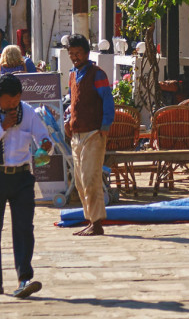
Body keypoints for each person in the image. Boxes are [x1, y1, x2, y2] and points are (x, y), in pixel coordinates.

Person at [0, 73, 49, 299]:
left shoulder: (27, 111)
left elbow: (43, 136)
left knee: (24, 228)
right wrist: (2, 127)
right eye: (9, 101)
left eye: (16, 99)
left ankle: (24, 277)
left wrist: (46, 144)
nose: (13, 105)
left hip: (22, 177)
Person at [63, 34, 114, 236]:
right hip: (76, 134)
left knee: (90, 178)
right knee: (79, 180)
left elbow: (107, 101)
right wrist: (68, 121)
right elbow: (72, 102)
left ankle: (97, 222)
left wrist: (105, 126)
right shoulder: (72, 75)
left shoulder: (98, 74)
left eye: (78, 53)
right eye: (71, 54)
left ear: (86, 53)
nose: (75, 57)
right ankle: (90, 219)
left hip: (94, 132)